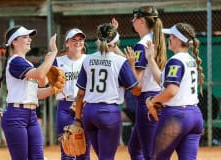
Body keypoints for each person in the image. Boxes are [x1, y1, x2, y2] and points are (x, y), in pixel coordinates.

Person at [74, 23, 141, 160]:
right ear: (116, 42)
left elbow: (80, 94)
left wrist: (77, 119)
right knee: (106, 157)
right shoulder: (120, 61)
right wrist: (132, 66)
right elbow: (136, 91)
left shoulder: (88, 59)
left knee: (103, 157)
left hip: (88, 114)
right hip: (108, 114)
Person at [0, 26, 58, 160]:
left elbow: (37, 91)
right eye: (25, 37)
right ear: (14, 42)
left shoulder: (26, 63)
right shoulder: (15, 61)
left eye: (29, 37)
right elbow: (40, 75)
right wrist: (53, 54)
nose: (29, 39)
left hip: (32, 116)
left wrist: (54, 89)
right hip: (16, 116)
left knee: (38, 158)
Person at [145, 22, 204, 159]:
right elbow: (162, 80)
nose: (169, 38)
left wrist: (152, 101)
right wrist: (150, 58)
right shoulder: (190, 59)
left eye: (171, 36)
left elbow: (171, 91)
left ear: (178, 39)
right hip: (194, 116)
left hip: (176, 116)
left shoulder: (175, 61)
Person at [127, 6, 167, 160]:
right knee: (134, 148)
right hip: (155, 97)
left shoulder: (142, 44)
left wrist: (130, 66)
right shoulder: (154, 39)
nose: (132, 21)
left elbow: (137, 83)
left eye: (135, 18)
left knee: (150, 154)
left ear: (142, 20)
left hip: (147, 101)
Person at [53, 28, 90, 160]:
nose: (78, 42)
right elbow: (44, 82)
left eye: (80, 39)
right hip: (65, 105)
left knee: (83, 149)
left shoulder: (89, 60)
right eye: (74, 39)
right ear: (67, 43)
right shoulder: (57, 61)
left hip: (85, 106)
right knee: (67, 149)